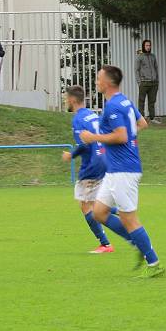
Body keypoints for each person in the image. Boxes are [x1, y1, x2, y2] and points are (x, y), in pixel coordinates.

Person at [79, 65, 163, 278]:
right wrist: (129, 142)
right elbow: (142, 123)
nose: (97, 82)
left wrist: (94, 137)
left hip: (124, 170)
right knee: (99, 212)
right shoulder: (125, 101)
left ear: (107, 82)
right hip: (115, 170)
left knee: (130, 219)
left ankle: (153, 263)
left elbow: (122, 136)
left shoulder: (113, 106)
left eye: (98, 79)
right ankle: (137, 244)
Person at [62, 85, 130, 254]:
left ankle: (105, 244)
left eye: (65, 99)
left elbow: (84, 145)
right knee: (94, 201)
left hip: (92, 164)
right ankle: (120, 213)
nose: (65, 102)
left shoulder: (77, 120)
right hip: (105, 159)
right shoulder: (93, 115)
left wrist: (71, 155)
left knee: (85, 206)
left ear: (71, 100)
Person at [135, 39, 160, 123]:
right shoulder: (140, 57)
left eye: (149, 45)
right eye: (146, 45)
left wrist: (157, 80)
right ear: (143, 46)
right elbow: (136, 70)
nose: (148, 47)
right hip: (144, 82)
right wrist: (139, 82)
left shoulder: (153, 56)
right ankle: (141, 119)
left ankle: (152, 118)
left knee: (152, 101)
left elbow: (156, 68)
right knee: (141, 101)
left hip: (153, 83)